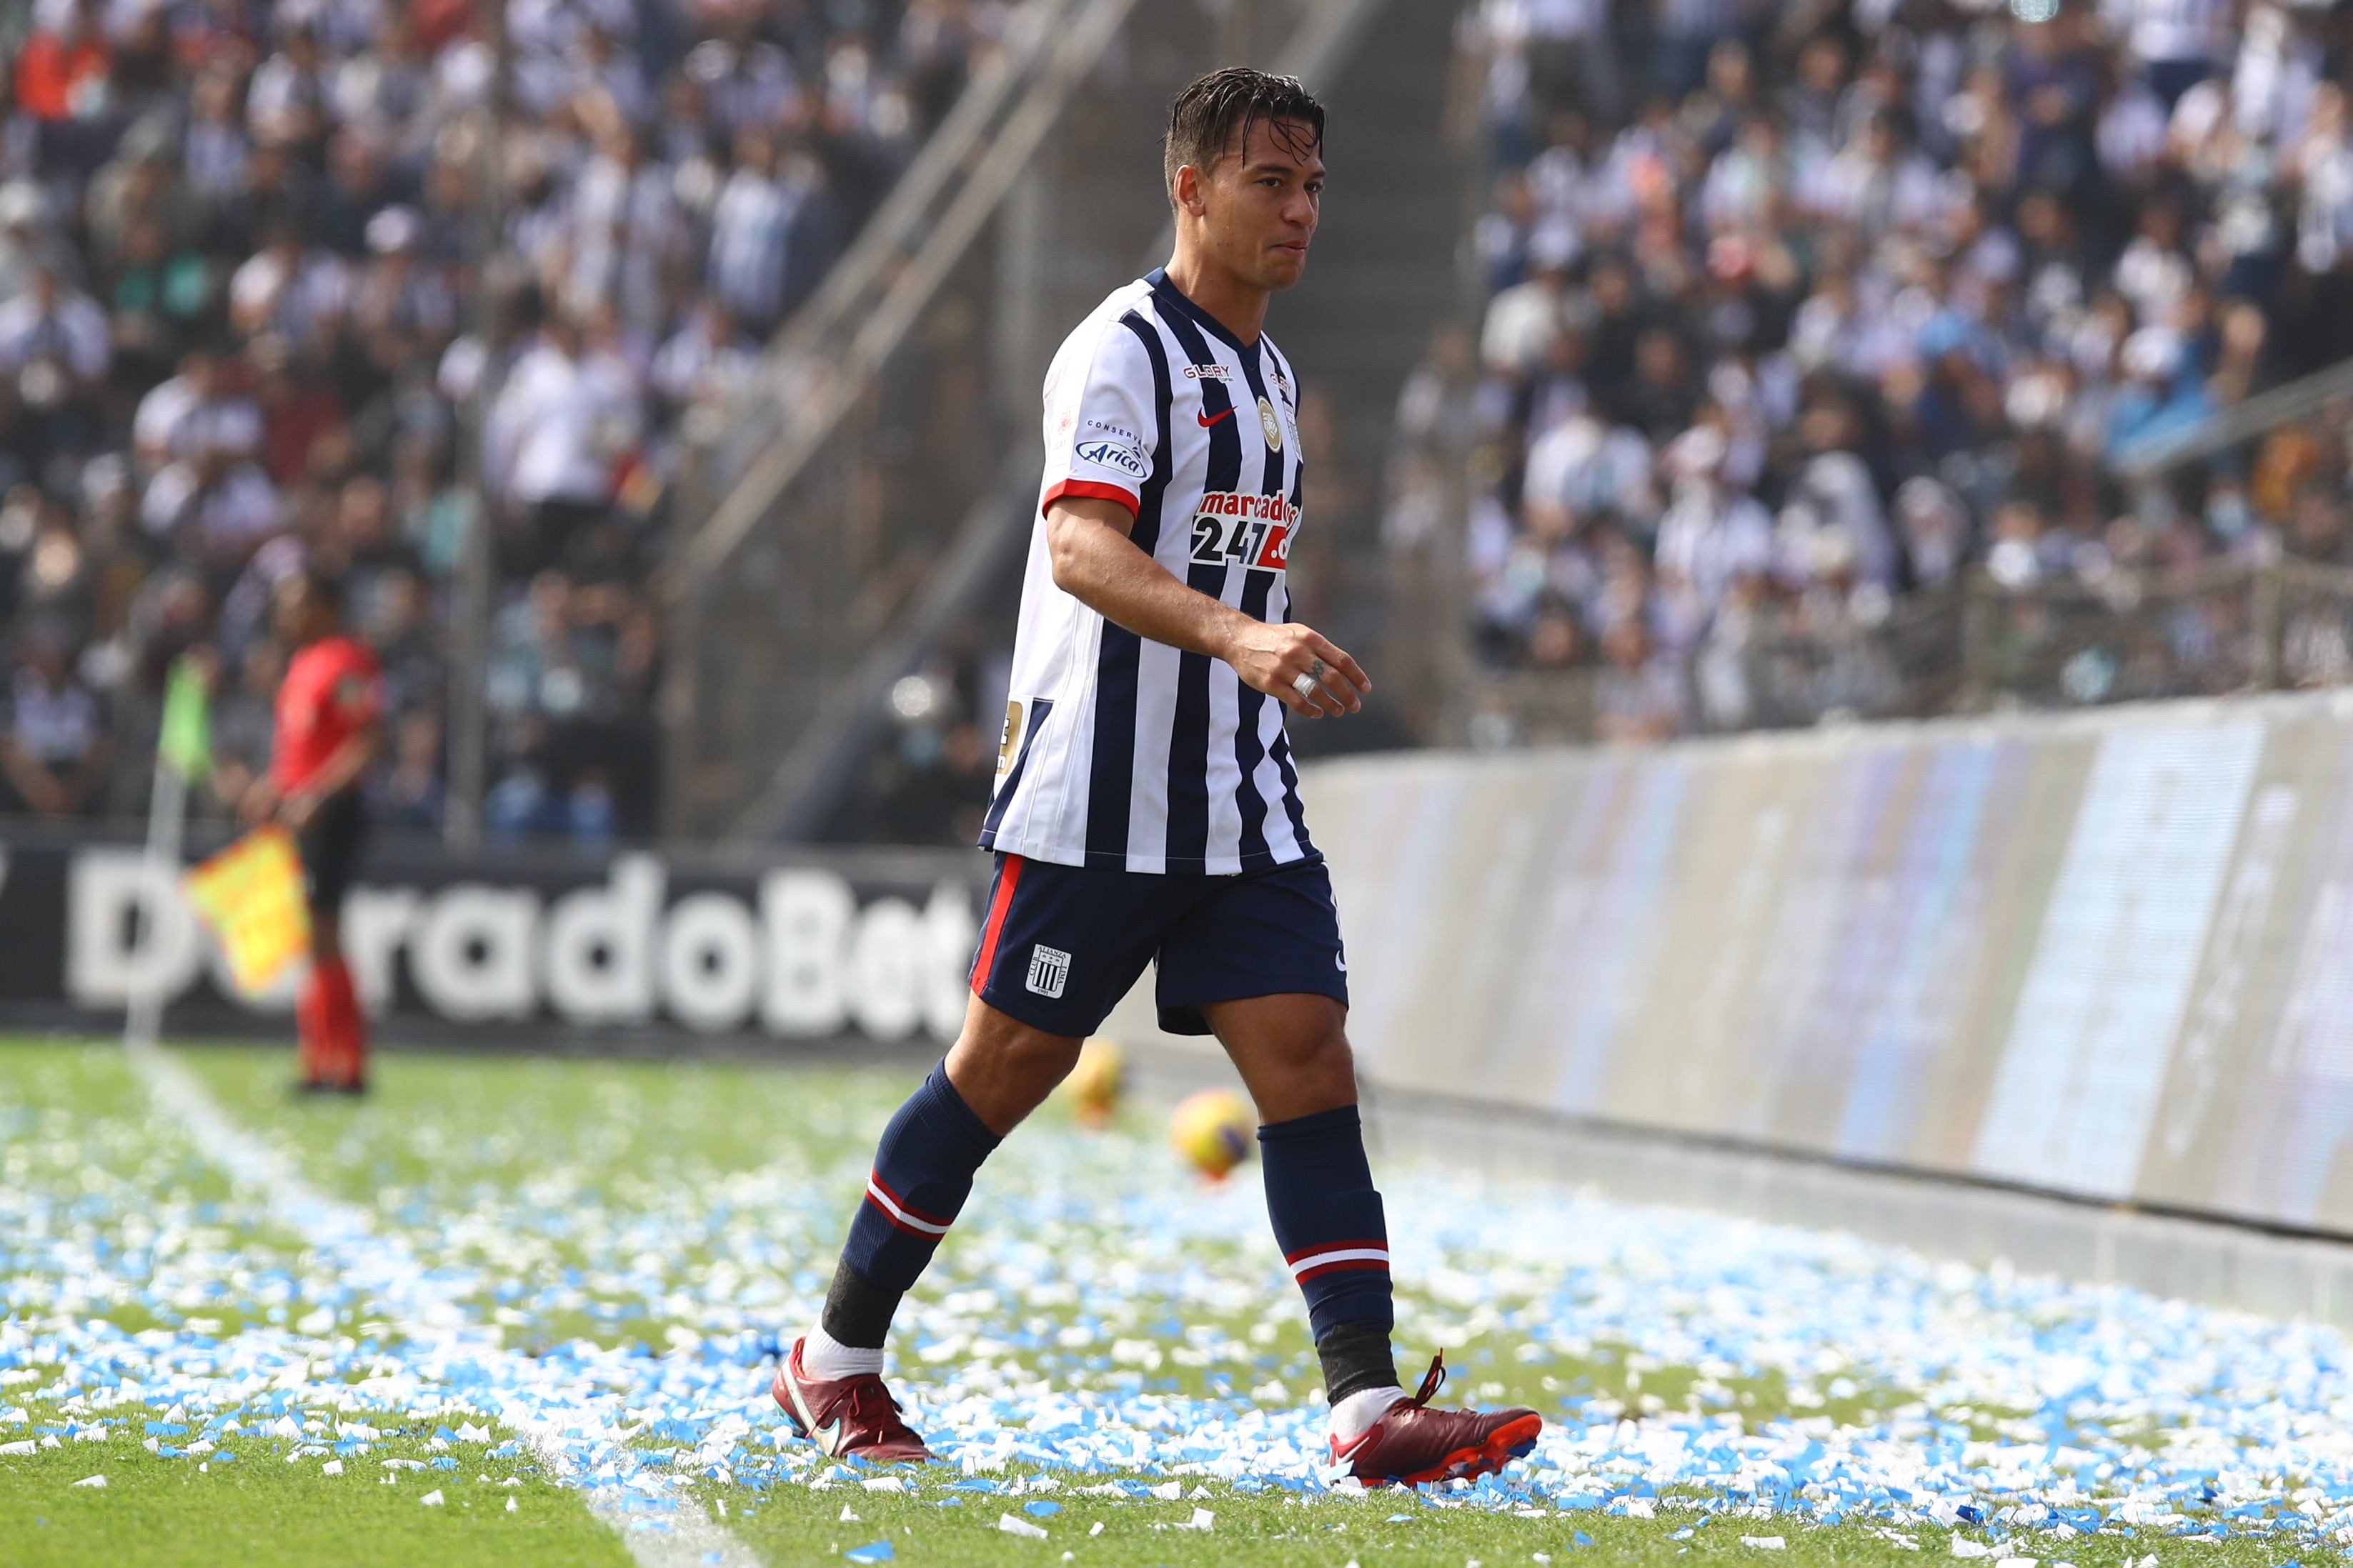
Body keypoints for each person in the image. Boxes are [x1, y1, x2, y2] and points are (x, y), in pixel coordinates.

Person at [772, 67, 1542, 1487]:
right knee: (1005, 1069)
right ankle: (833, 1355)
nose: (1300, 209)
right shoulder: (1119, 350)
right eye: (1270, 181)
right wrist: (1244, 633)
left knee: (1309, 1059)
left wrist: (1255, 658)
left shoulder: (1267, 371)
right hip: (1092, 790)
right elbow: (1079, 547)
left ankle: (1363, 1405)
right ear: (1189, 189)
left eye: (1312, 184)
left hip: (1233, 796)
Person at [242, 569, 383, 1094]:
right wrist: (272, 788)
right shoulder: (303, 663)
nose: (286, 613)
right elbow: (302, 748)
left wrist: (316, 796)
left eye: (296, 602)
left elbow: (367, 740)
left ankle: (345, 1063)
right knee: (313, 937)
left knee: (325, 933)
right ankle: (320, 1059)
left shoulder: (348, 662)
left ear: (326, 606)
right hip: (301, 812)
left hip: (334, 815)